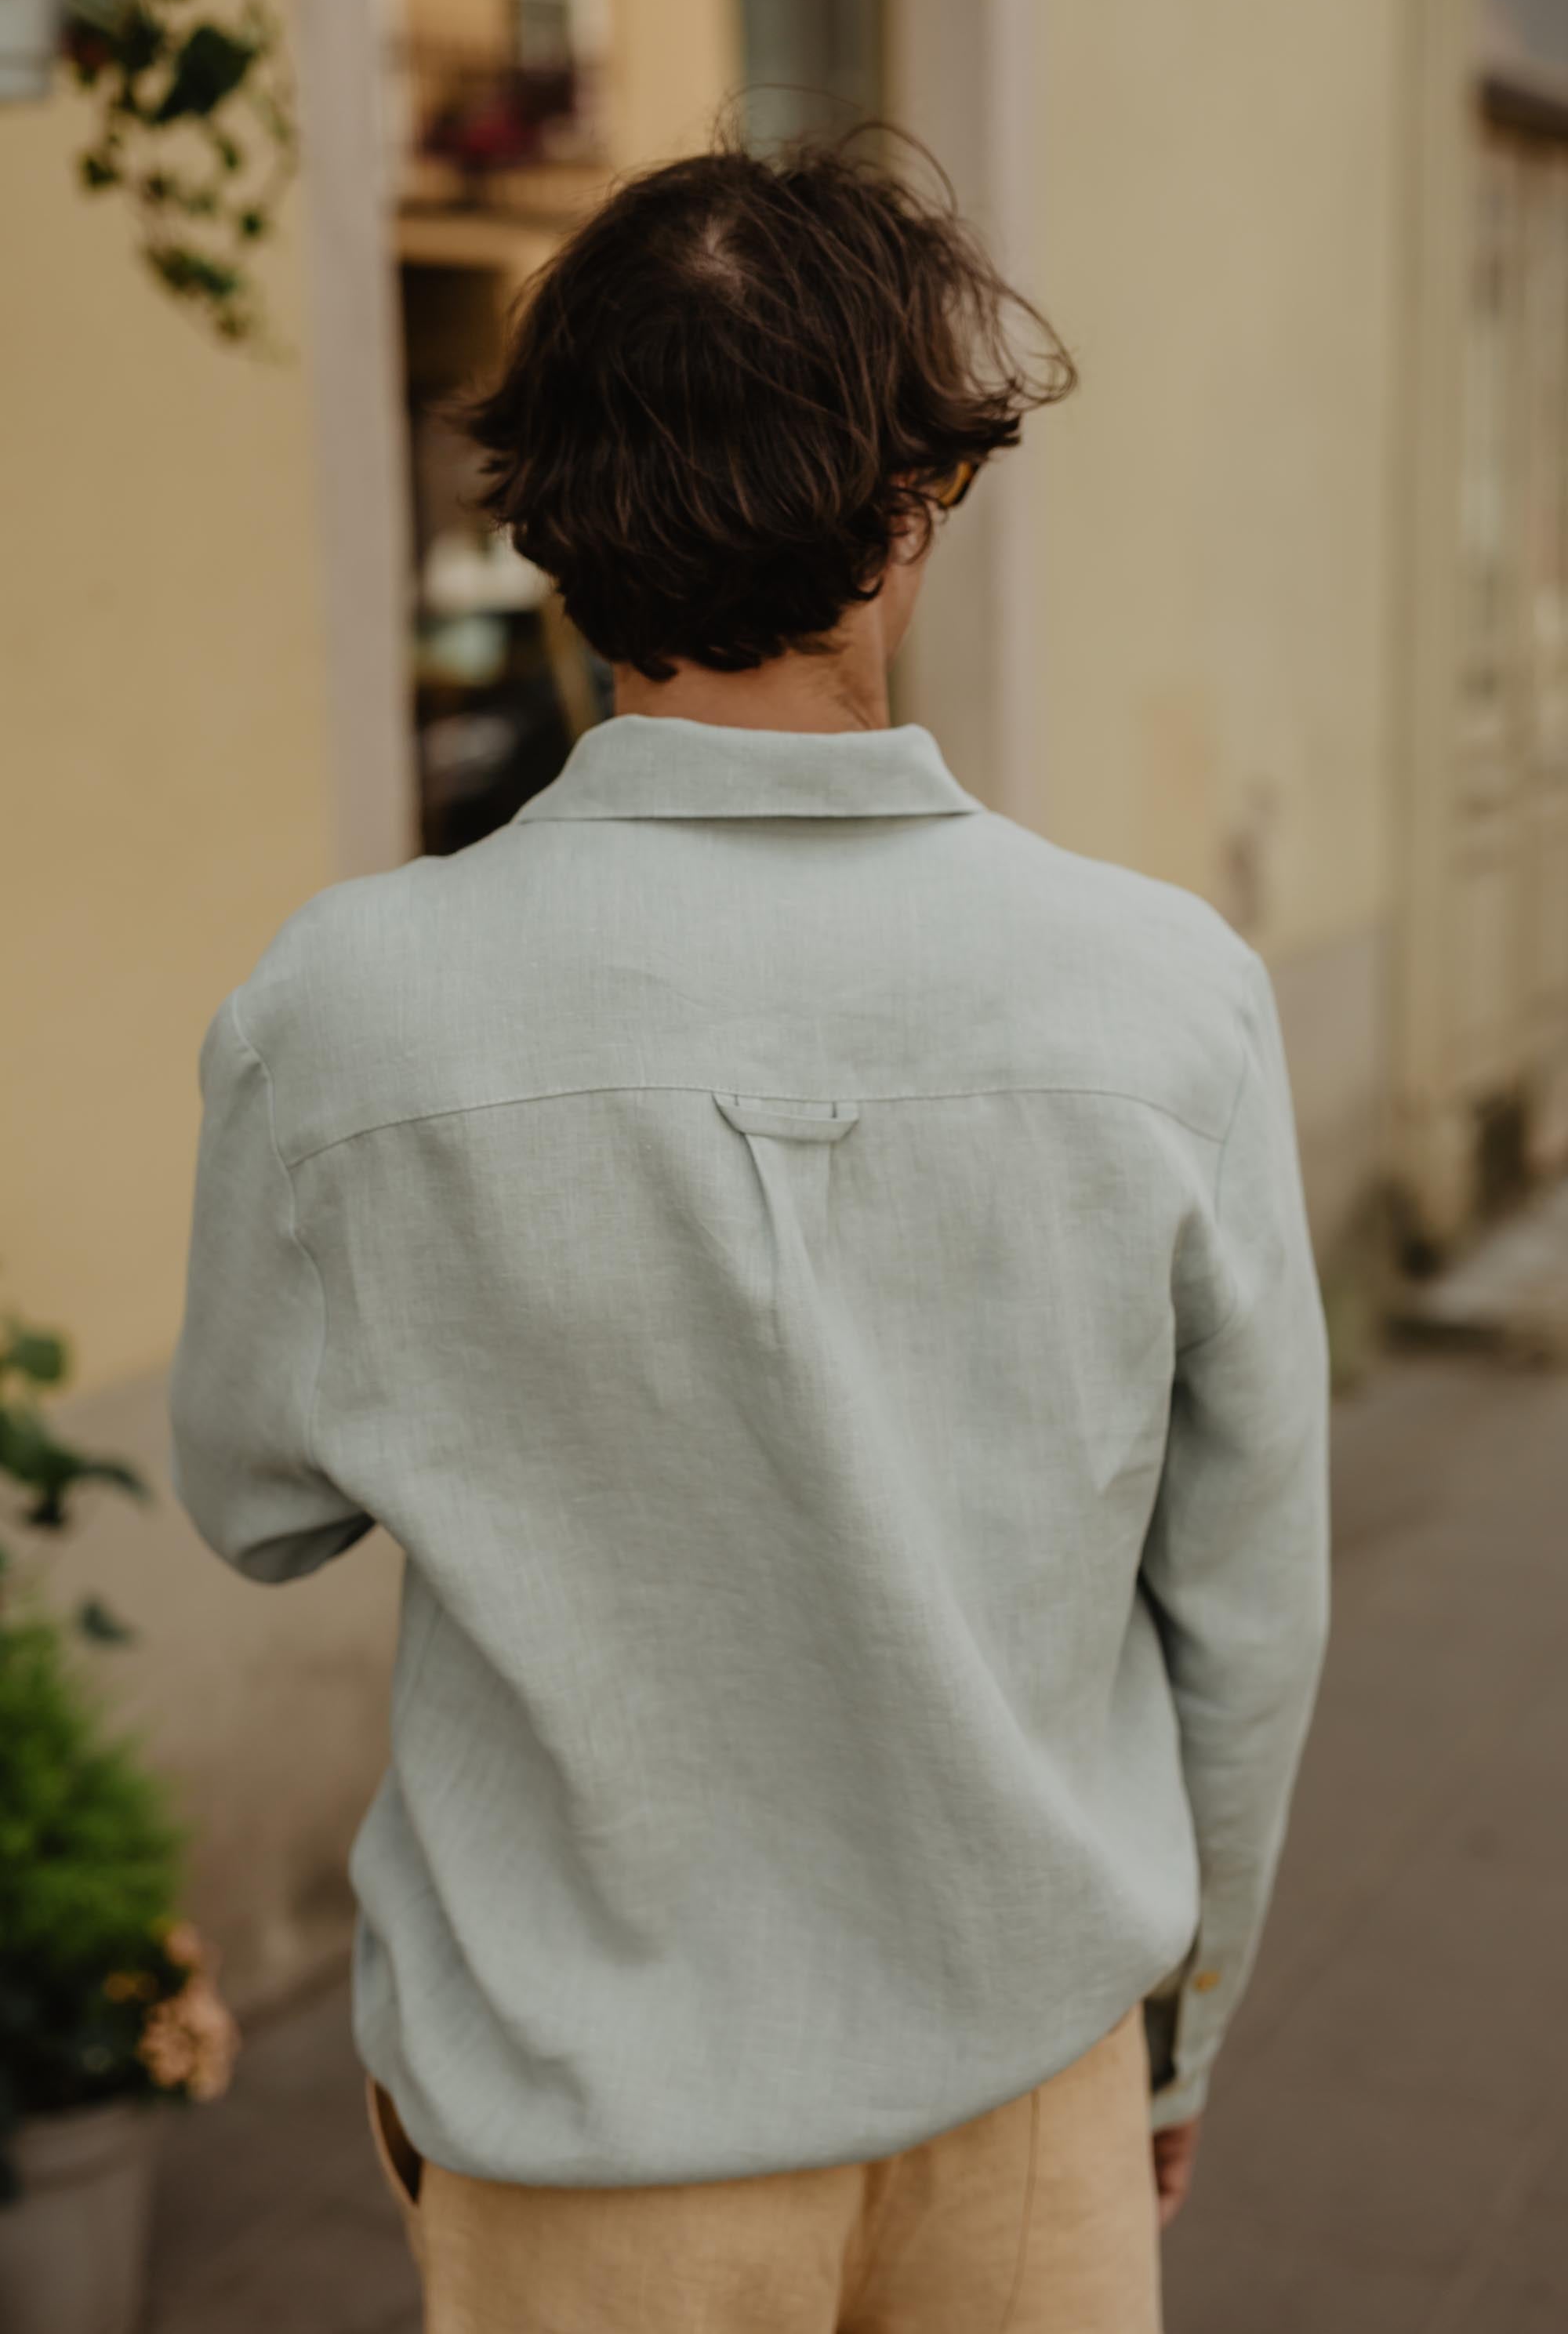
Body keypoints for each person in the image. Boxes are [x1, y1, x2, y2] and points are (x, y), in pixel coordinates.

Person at [170, 130, 1330, 2334]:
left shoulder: (343, 1015)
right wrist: (1184, 2033)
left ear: (552, 520)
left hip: (578, 2126)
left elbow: (255, 1507)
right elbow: (1247, 1618)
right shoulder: (1169, 997)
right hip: (1033, 2091)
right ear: (912, 508)